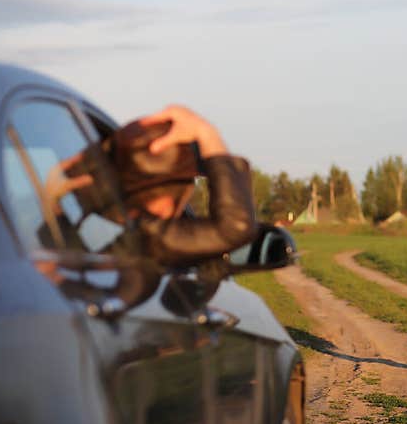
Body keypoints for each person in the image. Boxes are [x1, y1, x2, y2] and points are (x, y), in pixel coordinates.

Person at [36, 105, 257, 309]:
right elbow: (235, 227)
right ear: (167, 204)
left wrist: (51, 205)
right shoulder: (152, 237)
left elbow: (80, 264)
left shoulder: (131, 241)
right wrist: (207, 134)